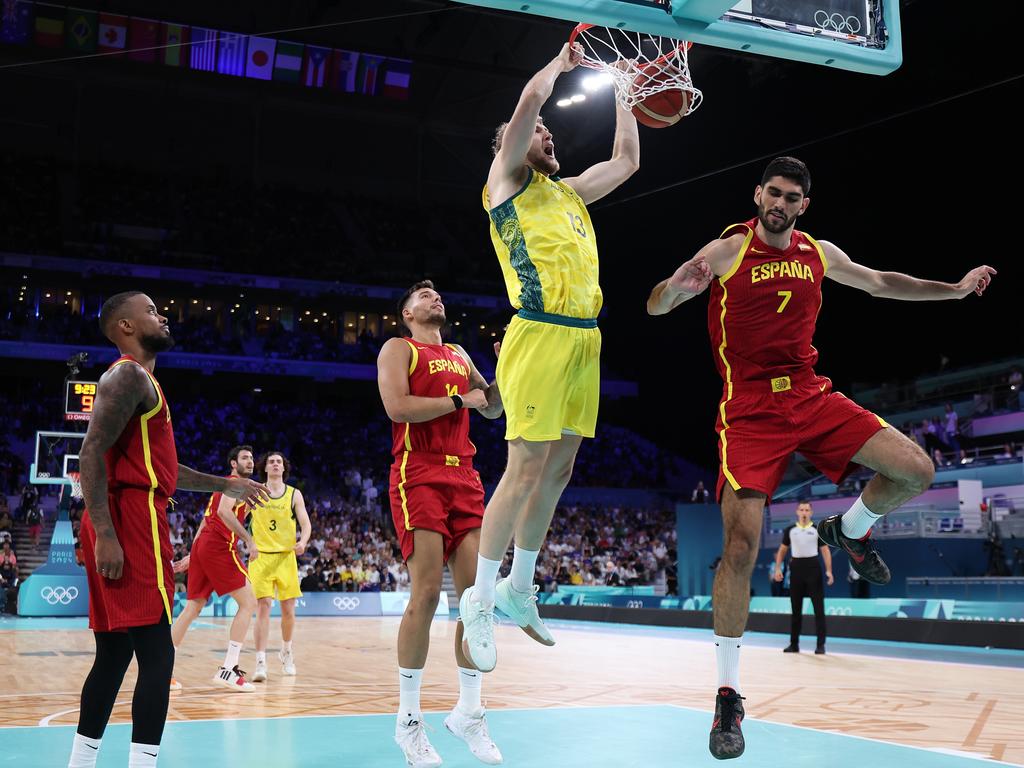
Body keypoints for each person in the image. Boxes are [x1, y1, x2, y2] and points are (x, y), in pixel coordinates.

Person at [646, 156, 996, 759]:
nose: (779, 204)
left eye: (791, 197)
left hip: (810, 396)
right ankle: (728, 693)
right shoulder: (727, 252)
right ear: (757, 195)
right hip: (750, 411)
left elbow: (883, 281)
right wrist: (678, 286)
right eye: (772, 193)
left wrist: (955, 289)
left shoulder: (819, 252)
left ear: (803, 205)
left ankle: (851, 530)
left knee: (916, 469)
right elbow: (654, 306)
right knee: (740, 547)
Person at [460, 40, 641, 673]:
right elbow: (530, 99)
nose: (546, 134)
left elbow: (626, 159)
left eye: (546, 132)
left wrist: (625, 90)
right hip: (536, 332)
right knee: (526, 467)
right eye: (536, 133)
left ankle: (518, 586)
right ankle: (478, 601)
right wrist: (562, 65)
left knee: (560, 470)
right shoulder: (504, 183)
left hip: (584, 337)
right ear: (510, 145)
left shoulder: (570, 193)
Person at [68, 291, 268, 768]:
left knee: (114, 655)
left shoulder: (144, 382)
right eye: (151, 311)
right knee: (158, 656)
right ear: (126, 327)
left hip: (127, 512)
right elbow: (90, 453)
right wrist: (108, 532)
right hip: (129, 519)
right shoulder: (127, 374)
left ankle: (79, 761)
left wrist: (226, 483)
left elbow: (165, 470)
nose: (162, 315)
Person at [378, 280, 504, 766]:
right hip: (418, 474)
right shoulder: (398, 348)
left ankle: (470, 712)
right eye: (423, 296)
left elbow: (491, 408)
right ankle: (408, 721)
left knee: (476, 603)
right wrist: (459, 401)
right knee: (427, 593)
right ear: (407, 312)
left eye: (438, 295)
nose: (436, 299)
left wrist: (505, 375)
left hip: (465, 476)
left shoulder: (457, 351)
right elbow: (397, 408)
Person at [169, 445, 261, 692]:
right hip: (219, 546)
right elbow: (222, 512)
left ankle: (161, 670)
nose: (250, 461)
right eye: (244, 458)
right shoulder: (234, 482)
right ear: (233, 464)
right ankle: (228, 670)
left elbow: (206, 517)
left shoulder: (234, 487)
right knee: (249, 602)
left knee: (193, 607)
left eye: (252, 458)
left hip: (204, 545)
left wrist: (193, 550)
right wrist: (249, 540)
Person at [249, 450, 311, 683]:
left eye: (279, 462)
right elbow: (237, 517)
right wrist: (248, 541)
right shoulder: (255, 492)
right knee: (263, 607)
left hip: (286, 558)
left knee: (288, 611)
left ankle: (286, 651)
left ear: (284, 468)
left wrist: (303, 542)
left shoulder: (294, 494)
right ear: (264, 468)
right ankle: (260, 661)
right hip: (261, 557)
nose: (275, 465)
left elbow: (305, 523)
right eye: (271, 462)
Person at [773, 501, 833, 654]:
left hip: (813, 569)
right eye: (802, 509)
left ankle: (820, 645)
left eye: (807, 510)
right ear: (797, 512)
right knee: (796, 610)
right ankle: (794, 644)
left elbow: (825, 551)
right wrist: (778, 568)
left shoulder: (817, 530)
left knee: (819, 609)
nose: (804, 512)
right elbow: (782, 551)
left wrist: (829, 571)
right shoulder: (790, 530)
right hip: (796, 570)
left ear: (811, 512)